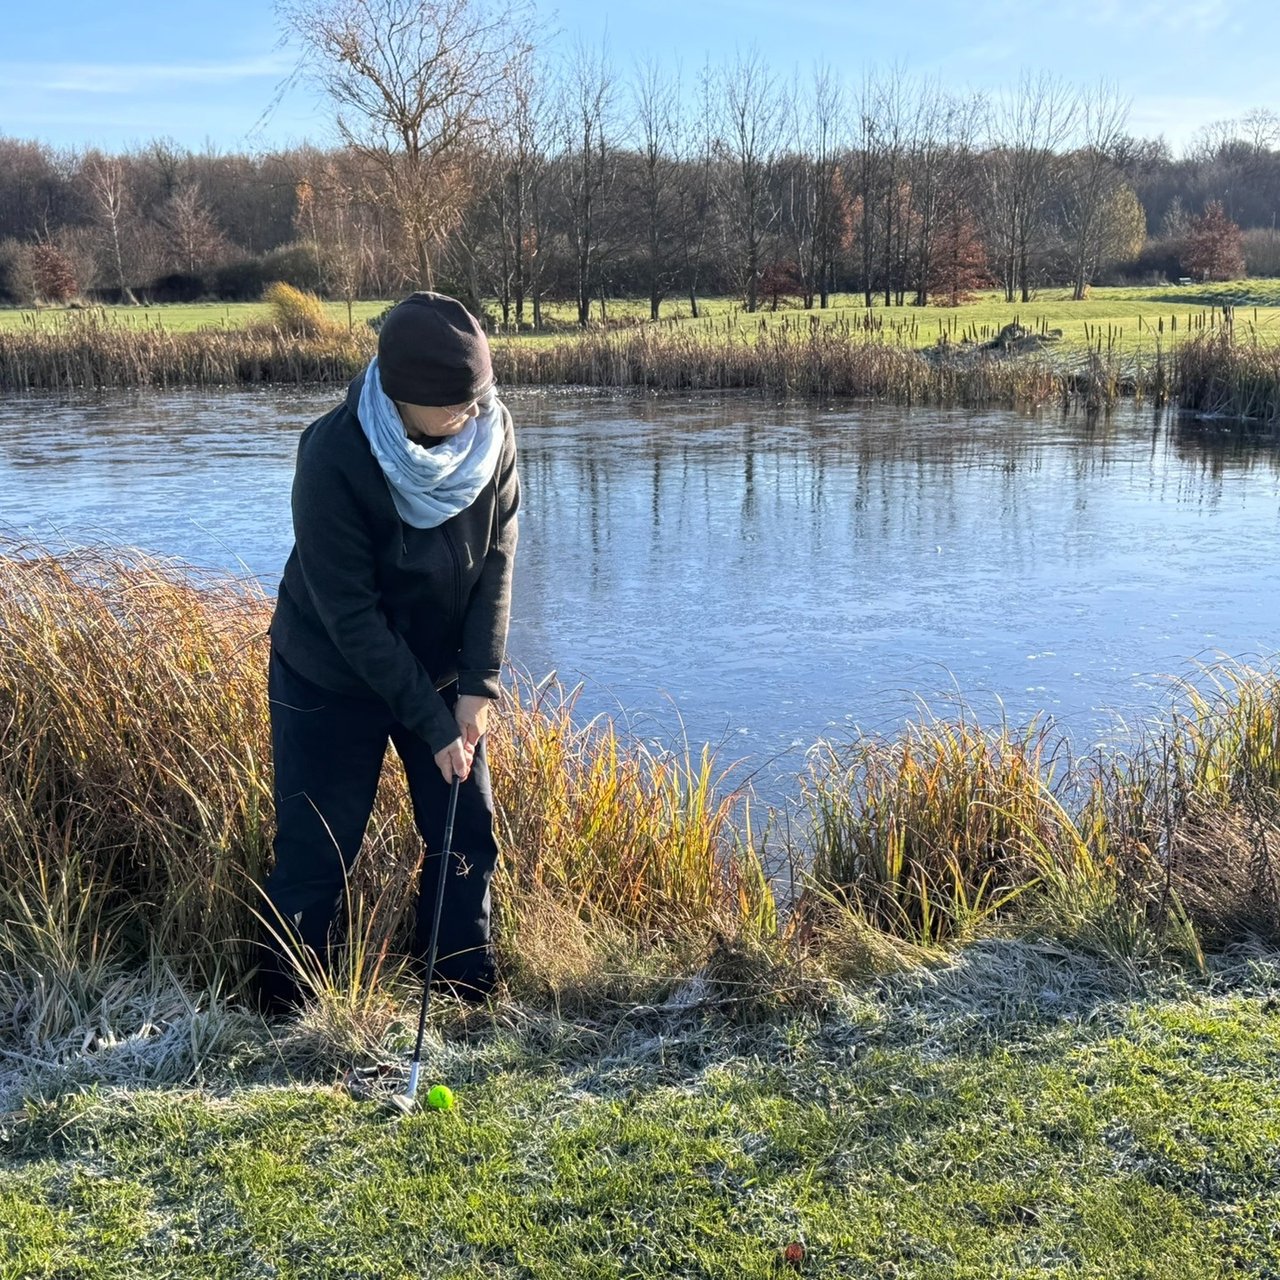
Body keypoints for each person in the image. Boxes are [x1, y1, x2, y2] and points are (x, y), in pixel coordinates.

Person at [254, 291, 519, 1014]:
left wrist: (477, 686)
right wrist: (434, 729)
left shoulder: (491, 434)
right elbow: (351, 616)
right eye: (456, 403)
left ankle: (461, 992)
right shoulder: (334, 453)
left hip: (438, 674)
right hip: (329, 675)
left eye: (479, 395)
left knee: (468, 833)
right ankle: (288, 1010)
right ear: (404, 395)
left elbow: (496, 559)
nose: (473, 412)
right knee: (320, 846)